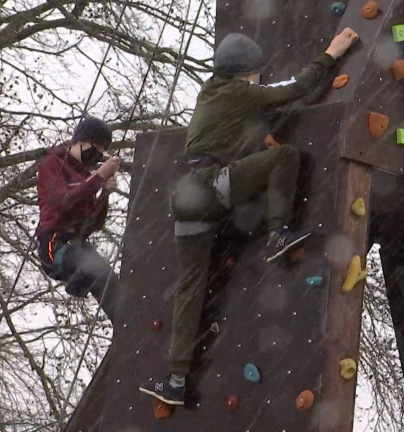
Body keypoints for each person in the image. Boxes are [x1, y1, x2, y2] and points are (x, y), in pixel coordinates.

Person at [139, 28, 360, 406]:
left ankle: (175, 378)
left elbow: (264, 104)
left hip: (187, 199)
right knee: (285, 157)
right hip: (212, 186)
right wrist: (331, 53)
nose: (260, 77)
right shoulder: (240, 92)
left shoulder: (212, 93)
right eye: (257, 72)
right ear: (245, 73)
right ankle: (277, 235)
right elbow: (292, 91)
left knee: (191, 288)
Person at [35, 116, 123, 323]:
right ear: (80, 141)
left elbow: (94, 223)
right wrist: (98, 177)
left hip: (78, 243)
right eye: (95, 147)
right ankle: (79, 279)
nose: (96, 155)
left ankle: (123, 320)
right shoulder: (53, 163)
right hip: (54, 244)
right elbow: (62, 201)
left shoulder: (85, 176)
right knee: (90, 266)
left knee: (110, 281)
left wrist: (105, 195)